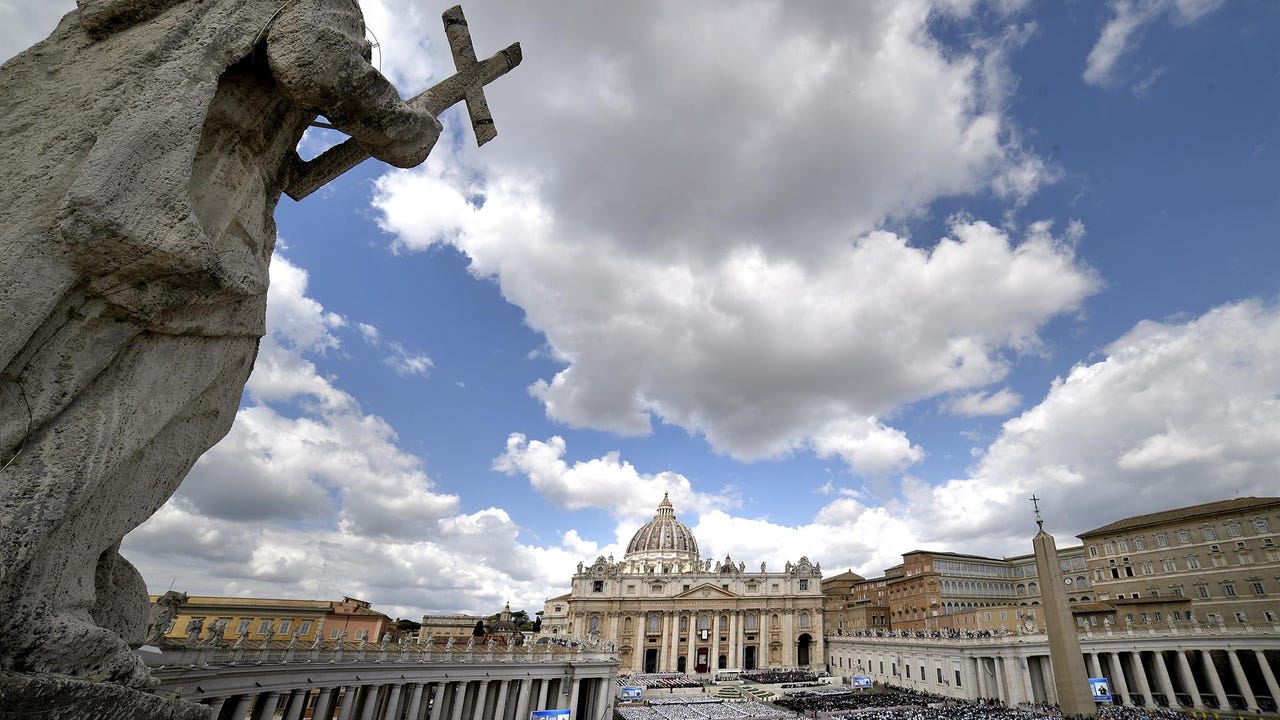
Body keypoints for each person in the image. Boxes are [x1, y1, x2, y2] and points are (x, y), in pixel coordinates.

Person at [0, 0, 439, 688]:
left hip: (103, 165)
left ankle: (54, 575)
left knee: (66, 361)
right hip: (201, 196)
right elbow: (312, 55)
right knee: (185, 385)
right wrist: (407, 126)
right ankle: (36, 585)